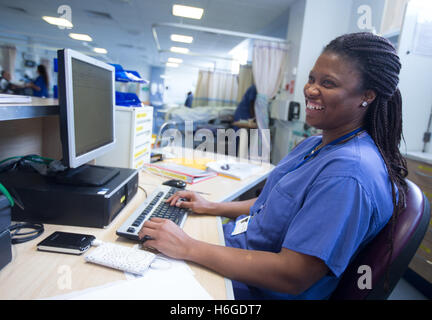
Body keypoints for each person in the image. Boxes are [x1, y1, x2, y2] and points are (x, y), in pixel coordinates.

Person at [138, 32, 408, 300]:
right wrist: (211, 207)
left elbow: (293, 275)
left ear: (367, 96)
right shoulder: (315, 144)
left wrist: (189, 248)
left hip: (254, 289)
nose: (311, 90)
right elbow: (274, 204)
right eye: (311, 79)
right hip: (234, 253)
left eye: (328, 83)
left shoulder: (349, 175)